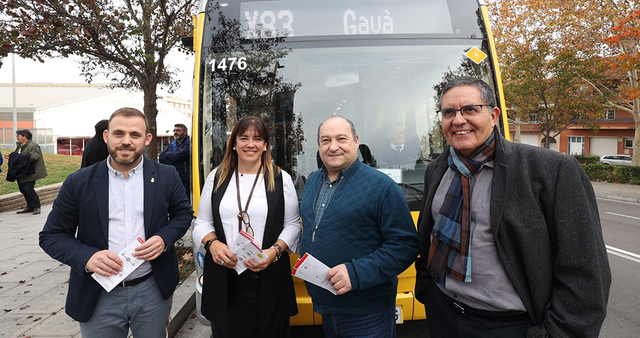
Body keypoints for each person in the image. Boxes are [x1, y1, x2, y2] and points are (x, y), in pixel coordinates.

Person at [414, 76, 611, 338]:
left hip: (510, 326)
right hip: (443, 315)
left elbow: (586, 273)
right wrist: (427, 288)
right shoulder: (437, 169)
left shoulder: (551, 171)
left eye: (470, 109)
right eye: (449, 112)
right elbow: (428, 238)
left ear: (494, 115)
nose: (458, 120)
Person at [39, 107, 193, 338]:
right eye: (119, 133)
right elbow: (51, 236)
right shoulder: (78, 182)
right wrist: (87, 257)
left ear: (147, 139)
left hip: (152, 289)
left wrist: (164, 238)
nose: (126, 141)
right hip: (98, 292)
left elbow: (183, 215)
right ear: (106, 136)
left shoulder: (166, 176)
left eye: (135, 135)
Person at [299, 115, 420, 338]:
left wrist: (355, 273)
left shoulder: (382, 186)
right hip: (328, 306)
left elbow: (405, 246)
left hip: (367, 314)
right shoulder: (313, 181)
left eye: (341, 139)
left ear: (356, 141)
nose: (333, 147)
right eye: (326, 140)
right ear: (319, 146)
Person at [192, 115, 300, 338]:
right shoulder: (217, 177)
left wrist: (275, 251)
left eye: (257, 138)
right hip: (225, 279)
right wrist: (212, 245)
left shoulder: (281, 178)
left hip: (269, 277)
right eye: (244, 138)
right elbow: (202, 222)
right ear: (234, 145)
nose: (250, 144)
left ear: (265, 145)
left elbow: (292, 225)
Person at [4, 129, 47, 215]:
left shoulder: (33, 145)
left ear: (25, 136)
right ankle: (30, 206)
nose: (17, 137)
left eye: (18, 136)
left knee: (28, 189)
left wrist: (18, 157)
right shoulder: (20, 146)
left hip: (31, 172)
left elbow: (35, 156)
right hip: (22, 172)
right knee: (23, 189)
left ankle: (36, 206)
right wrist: (11, 156)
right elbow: (18, 156)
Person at [159, 123, 191, 200]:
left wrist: (169, 156)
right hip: (174, 177)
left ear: (185, 132)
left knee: (185, 199)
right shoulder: (173, 144)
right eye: (174, 130)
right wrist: (174, 158)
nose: (175, 132)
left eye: (178, 130)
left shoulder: (189, 143)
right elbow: (161, 158)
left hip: (185, 178)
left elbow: (181, 155)